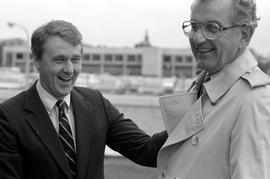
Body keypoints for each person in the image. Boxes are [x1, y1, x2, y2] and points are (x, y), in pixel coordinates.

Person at [0, 20, 168, 179]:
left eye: (75, 60)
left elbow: (147, 151)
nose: (69, 70)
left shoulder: (96, 102)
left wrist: (189, 116)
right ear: (36, 61)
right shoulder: (9, 116)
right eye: (59, 60)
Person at [157, 0, 270, 178]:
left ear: (245, 35)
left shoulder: (254, 101)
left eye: (212, 28)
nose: (198, 38)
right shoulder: (205, 83)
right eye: (194, 26)